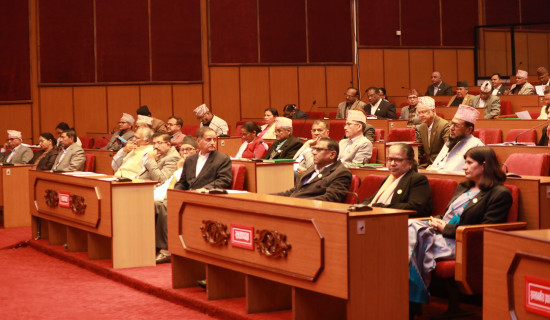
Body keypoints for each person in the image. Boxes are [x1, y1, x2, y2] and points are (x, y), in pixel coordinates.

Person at [408, 146, 512, 312]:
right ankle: (408, 297)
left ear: (484, 165)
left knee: (410, 240)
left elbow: (486, 230)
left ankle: (411, 299)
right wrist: (438, 221)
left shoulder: (499, 194)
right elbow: (450, 214)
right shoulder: (463, 187)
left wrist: (447, 228)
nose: (464, 167)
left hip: (462, 242)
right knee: (407, 228)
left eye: (469, 163)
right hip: (441, 233)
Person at [362, 143, 432, 217]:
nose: (392, 163)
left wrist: (380, 207)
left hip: (400, 222)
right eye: (390, 159)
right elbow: (372, 200)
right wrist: (363, 206)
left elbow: (416, 208)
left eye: (398, 160)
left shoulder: (417, 179)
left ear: (410, 162)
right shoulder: (388, 179)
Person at [274, 137, 352, 202]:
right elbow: (295, 191)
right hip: (294, 205)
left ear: (332, 154)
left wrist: (297, 202)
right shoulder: (312, 168)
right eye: (314, 149)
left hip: (311, 212)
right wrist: (270, 197)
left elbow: (330, 198)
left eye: (319, 150)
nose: (314, 152)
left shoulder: (341, 173)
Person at [174, 126, 232, 191]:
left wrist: (206, 188)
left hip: (207, 196)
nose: (212, 143)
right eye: (208, 139)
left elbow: (224, 180)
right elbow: (182, 182)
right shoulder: (189, 160)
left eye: (214, 139)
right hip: (189, 196)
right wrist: (176, 192)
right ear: (198, 141)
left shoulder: (223, 159)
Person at [430, 105, 484, 172]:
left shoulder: (477, 145)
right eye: (451, 124)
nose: (451, 128)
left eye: (457, 125)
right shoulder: (452, 140)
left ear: (469, 130)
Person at [415, 97, 450, 169]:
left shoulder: (444, 125)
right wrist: (414, 164)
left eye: (424, 112)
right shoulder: (422, 127)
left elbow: (448, 150)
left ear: (433, 111)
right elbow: (419, 149)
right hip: (428, 165)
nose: (421, 115)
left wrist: (436, 166)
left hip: (442, 165)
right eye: (419, 113)